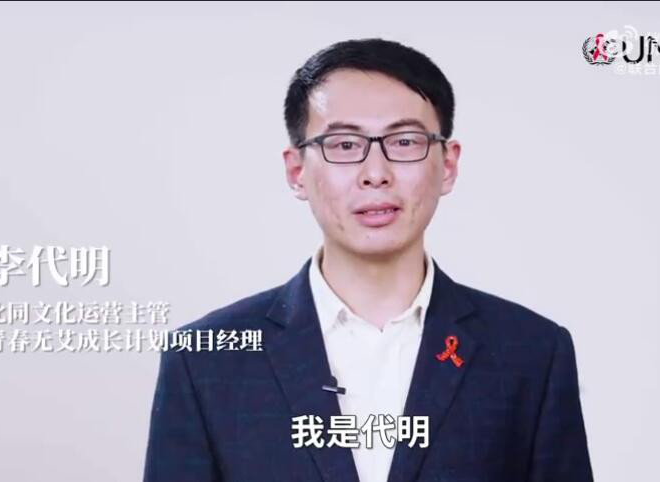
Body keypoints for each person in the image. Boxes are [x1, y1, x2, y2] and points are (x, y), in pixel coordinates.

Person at [143, 38, 594, 482]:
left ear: (448, 165)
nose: (375, 174)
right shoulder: (205, 361)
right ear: (297, 171)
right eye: (343, 145)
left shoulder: (532, 353)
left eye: (405, 141)